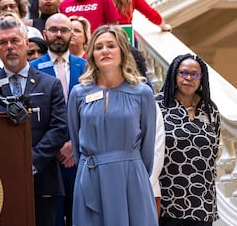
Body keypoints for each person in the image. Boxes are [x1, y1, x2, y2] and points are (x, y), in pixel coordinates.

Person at [67, 25, 157, 225]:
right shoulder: (78, 93)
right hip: (90, 176)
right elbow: (75, 139)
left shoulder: (142, 93)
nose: (105, 51)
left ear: (123, 51)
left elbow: (148, 146)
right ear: (92, 54)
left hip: (130, 179)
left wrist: (134, 172)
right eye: (98, 47)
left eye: (111, 45)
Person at [0, 16, 67, 225]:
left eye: (15, 41)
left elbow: (59, 129)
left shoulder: (50, 84)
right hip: (1, 179)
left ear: (26, 44)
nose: (9, 47)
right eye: (3, 42)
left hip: (44, 178)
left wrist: (31, 161)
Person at [29, 13, 87, 226]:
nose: (59, 35)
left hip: (79, 154)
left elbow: (92, 113)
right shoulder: (32, 68)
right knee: (51, 217)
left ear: (71, 34)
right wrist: (53, 146)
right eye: (53, 30)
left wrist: (74, 144)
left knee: (79, 216)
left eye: (64, 30)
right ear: (44, 34)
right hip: (47, 159)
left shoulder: (86, 67)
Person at [157, 54, 220, 226]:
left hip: (202, 203)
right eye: (183, 73)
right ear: (174, 75)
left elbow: (214, 152)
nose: (188, 78)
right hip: (168, 201)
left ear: (201, 79)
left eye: (195, 74)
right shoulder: (157, 106)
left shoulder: (210, 109)